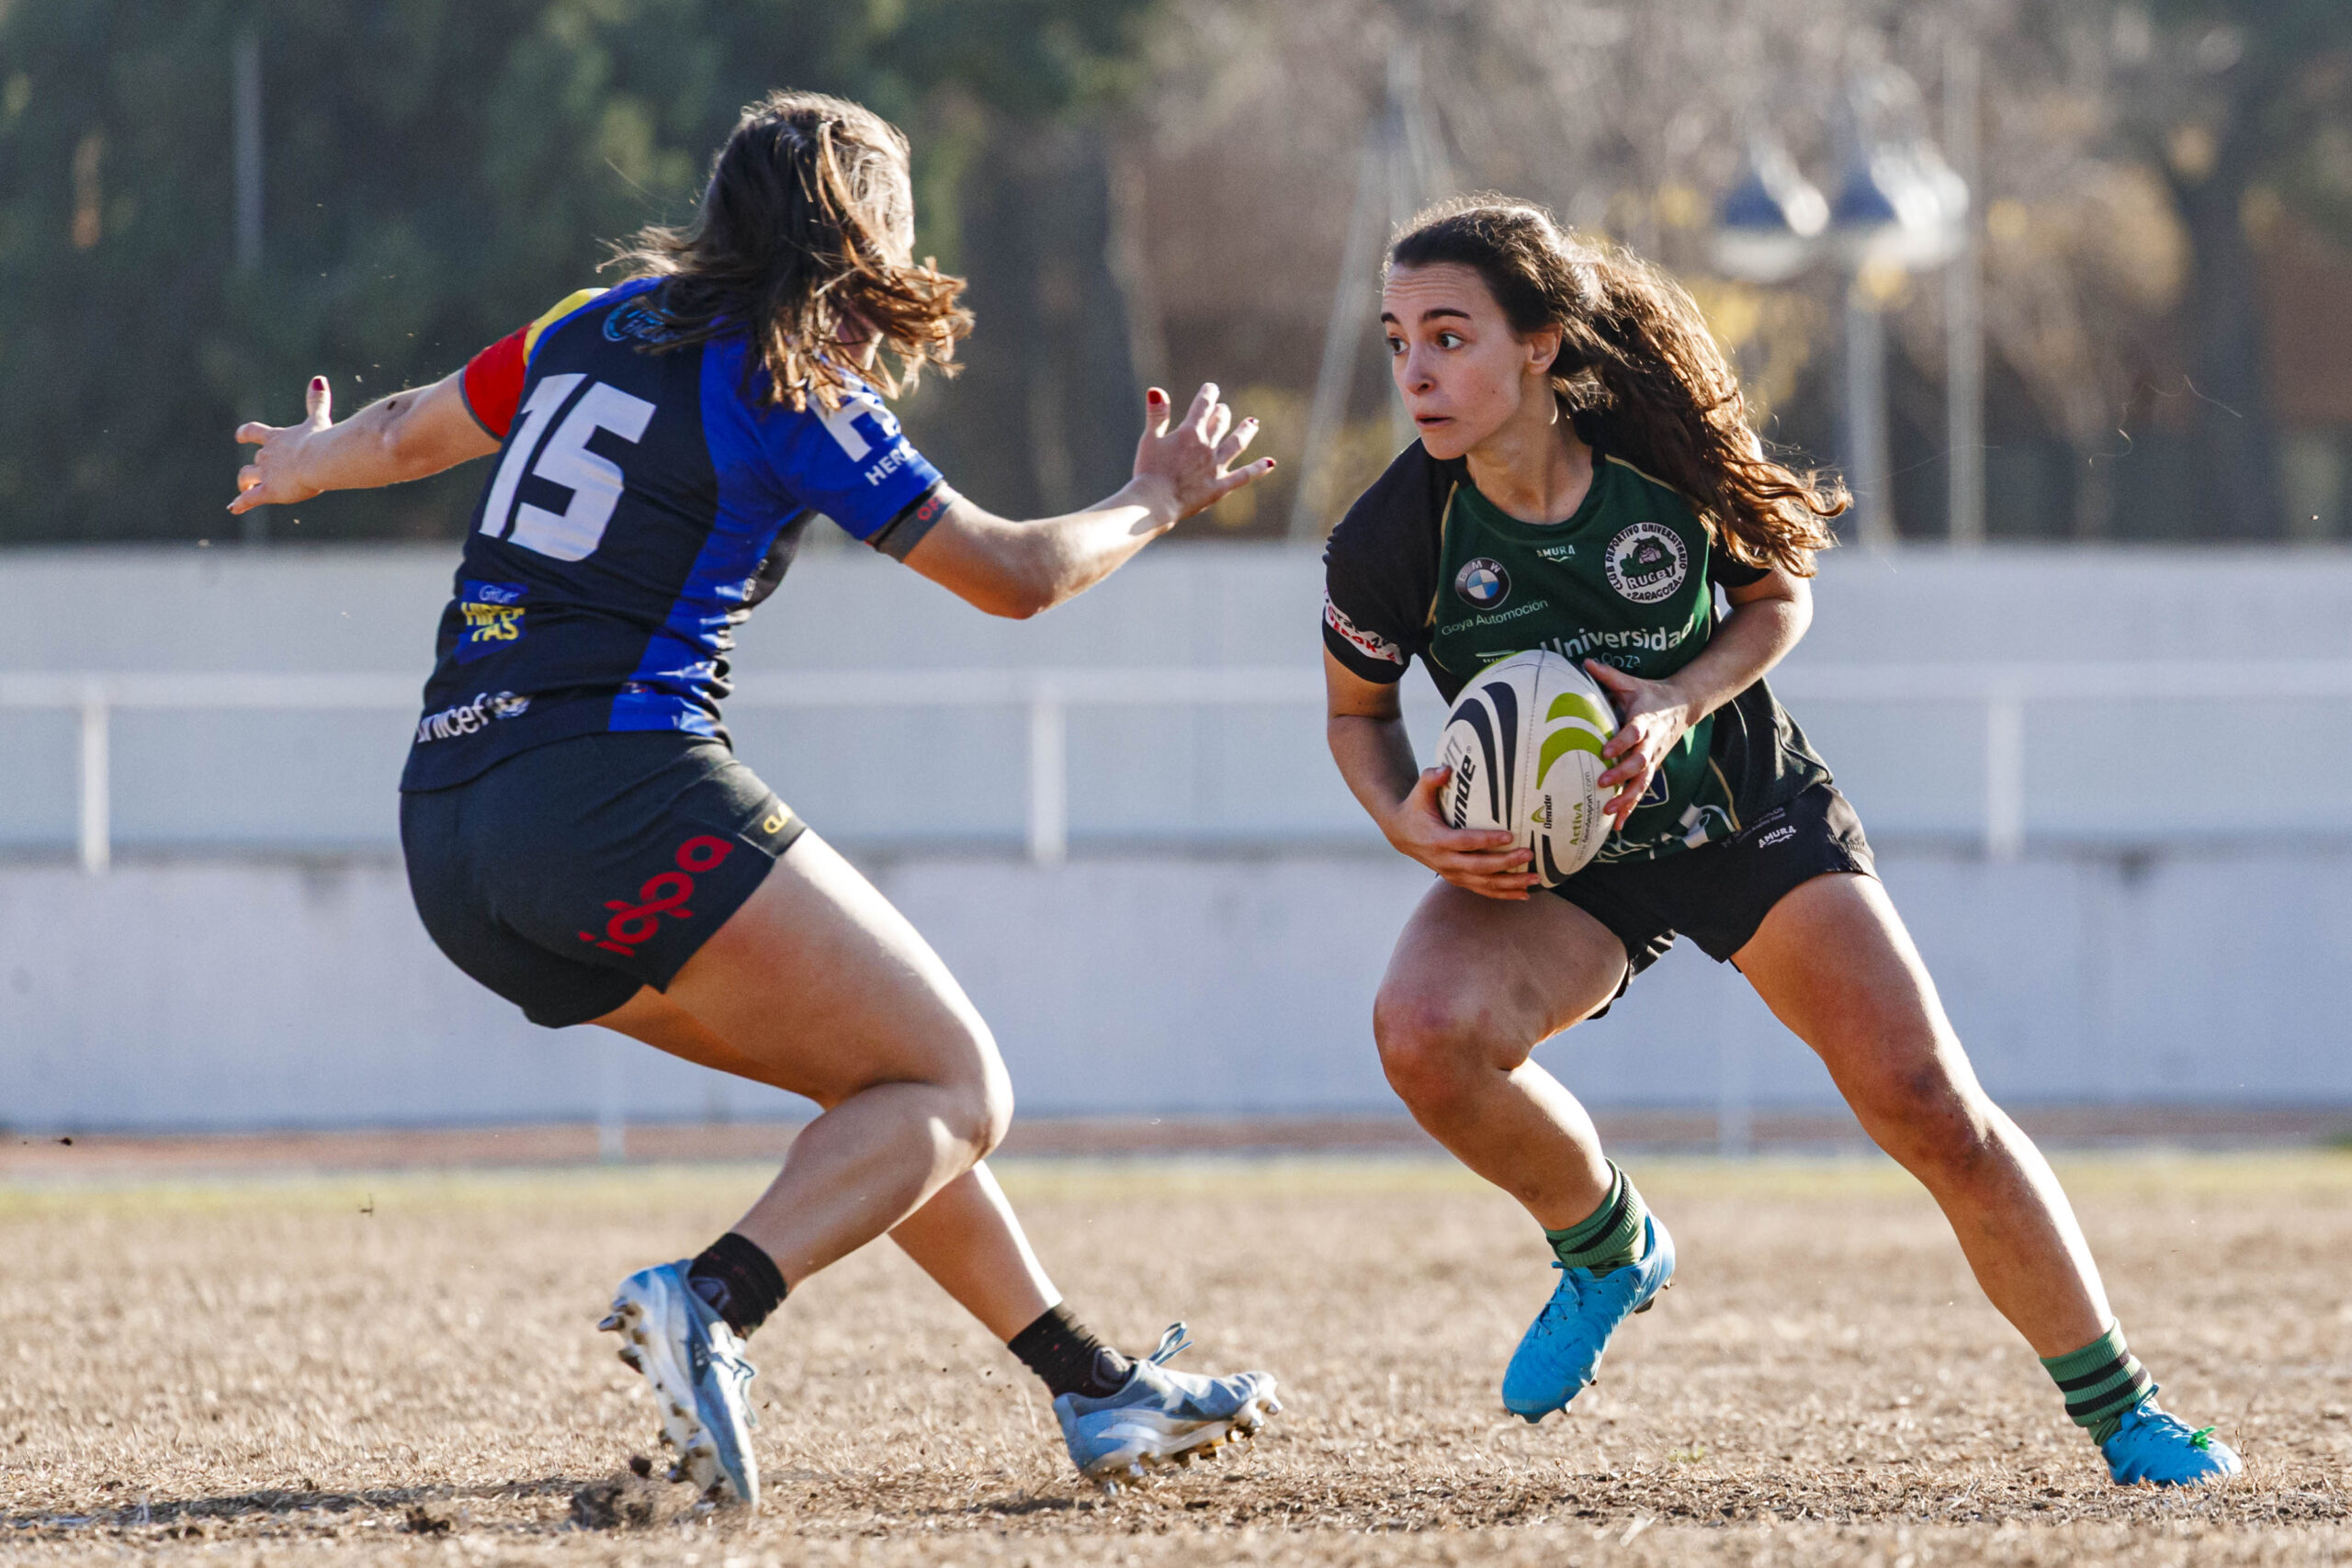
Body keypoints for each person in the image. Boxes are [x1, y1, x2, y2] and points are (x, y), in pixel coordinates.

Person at [228, 90, 1281, 1506]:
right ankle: (712, 1301)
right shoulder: (793, 382)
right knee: (958, 1085)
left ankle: (1095, 1388)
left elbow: (416, 429)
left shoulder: (591, 322)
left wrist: (305, 461)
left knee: (884, 1096)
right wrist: (1157, 497)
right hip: (615, 789)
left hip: (453, 834)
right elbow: (1017, 576)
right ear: (870, 242)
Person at [1317, 197, 2238, 1488]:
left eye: (1451, 335)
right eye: (1398, 338)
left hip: (1742, 811)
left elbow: (1777, 594)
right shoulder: (1390, 537)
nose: (1416, 370)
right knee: (1423, 1033)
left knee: (1930, 1107)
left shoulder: (1656, 447)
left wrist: (1677, 698)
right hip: (1564, 862)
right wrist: (1410, 821)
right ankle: (1607, 1245)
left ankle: (2129, 1413)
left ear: (1539, 344)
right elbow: (1357, 721)